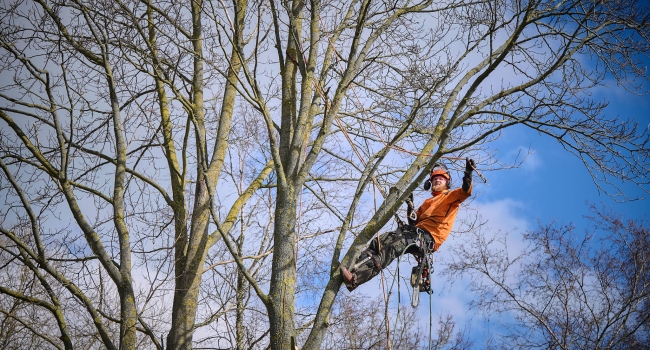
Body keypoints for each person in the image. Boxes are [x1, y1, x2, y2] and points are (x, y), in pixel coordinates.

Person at [340, 158, 475, 291]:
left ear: (447, 182)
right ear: (430, 183)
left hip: (429, 238)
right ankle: (353, 267)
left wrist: (468, 172)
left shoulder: (451, 196)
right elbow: (414, 220)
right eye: (434, 179)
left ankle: (355, 279)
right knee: (379, 242)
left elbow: (466, 191)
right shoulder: (428, 202)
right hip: (414, 232)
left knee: (392, 248)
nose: (437, 180)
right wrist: (410, 205)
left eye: (441, 179)